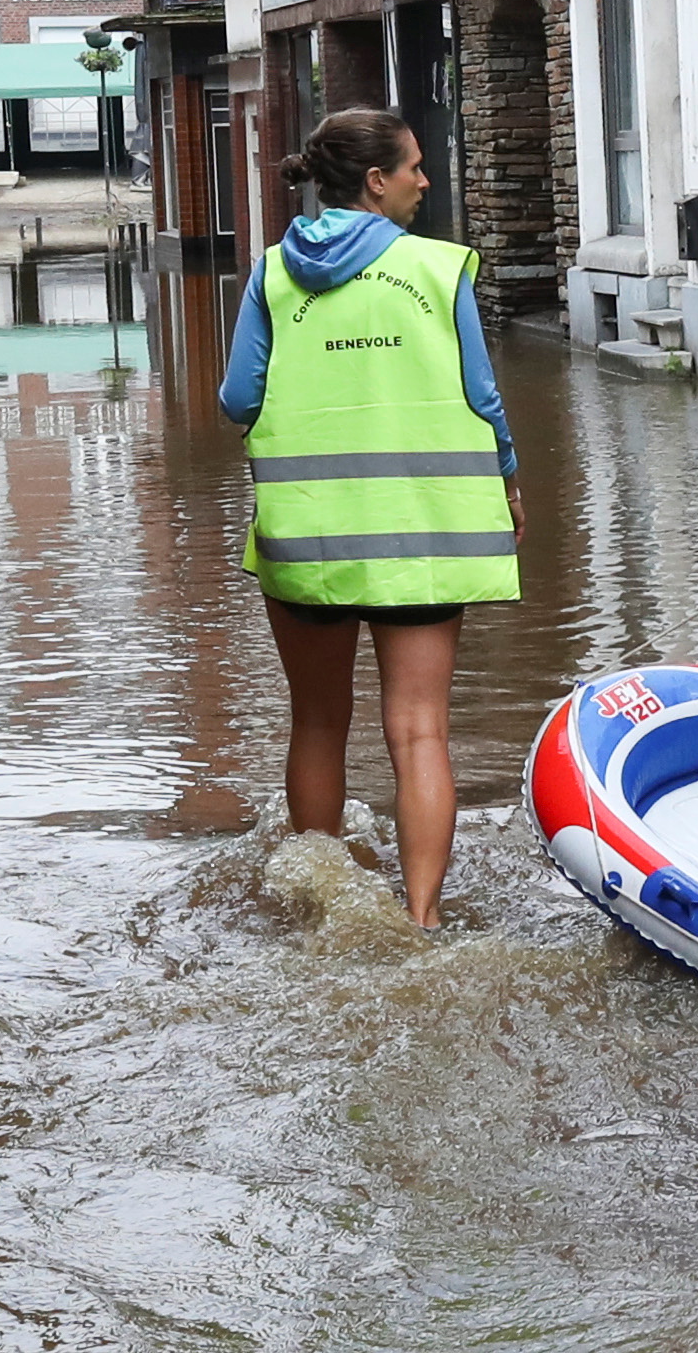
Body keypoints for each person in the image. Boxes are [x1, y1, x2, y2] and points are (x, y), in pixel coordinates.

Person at [217, 107, 527, 928]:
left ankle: (320, 910)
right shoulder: (437, 268)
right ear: (376, 180)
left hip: (306, 532)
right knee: (419, 733)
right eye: (414, 167)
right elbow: (482, 398)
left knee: (318, 723)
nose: (425, 180)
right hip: (421, 532)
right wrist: (508, 483)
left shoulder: (272, 274)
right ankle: (422, 920)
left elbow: (238, 399)